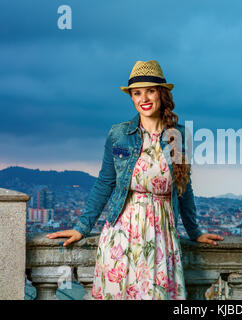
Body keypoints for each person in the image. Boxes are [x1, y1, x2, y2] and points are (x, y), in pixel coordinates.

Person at [47, 59, 224, 299]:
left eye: (150, 90)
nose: (144, 98)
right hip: (121, 235)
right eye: (137, 93)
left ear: (162, 94)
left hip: (161, 236)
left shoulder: (179, 135)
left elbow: (184, 186)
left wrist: (195, 232)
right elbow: (105, 183)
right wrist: (81, 228)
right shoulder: (118, 134)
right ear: (131, 97)